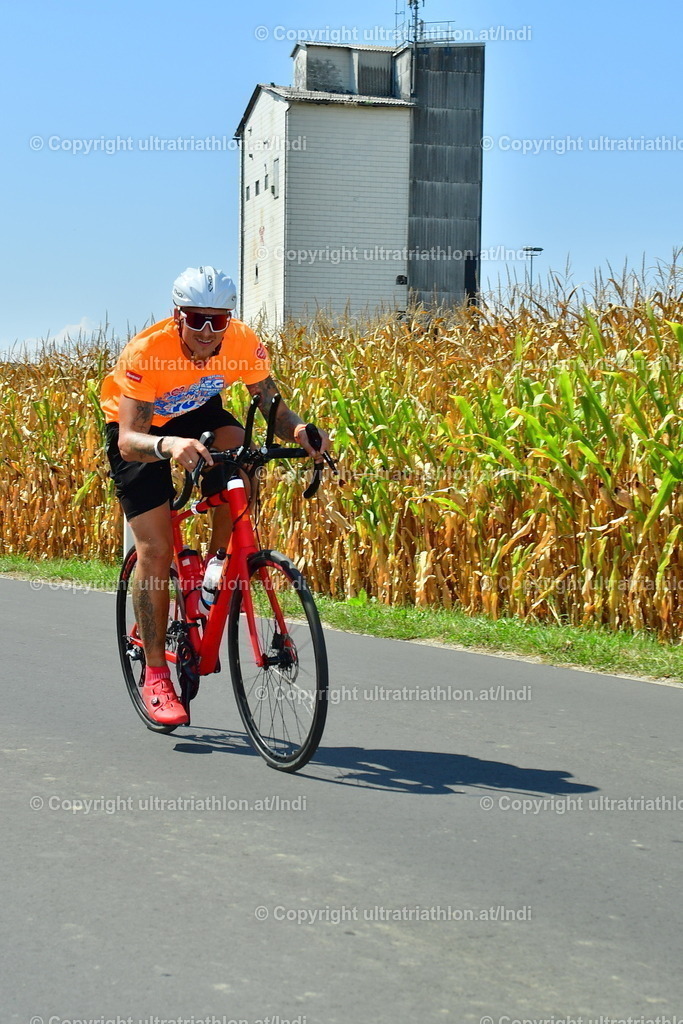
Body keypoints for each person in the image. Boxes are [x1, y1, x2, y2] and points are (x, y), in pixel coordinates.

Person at [100, 265, 330, 726]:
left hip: (198, 414)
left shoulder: (243, 342)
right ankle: (157, 676)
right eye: (196, 319)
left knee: (240, 462)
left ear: (230, 320)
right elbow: (129, 439)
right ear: (177, 315)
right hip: (144, 432)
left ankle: (218, 565)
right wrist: (168, 446)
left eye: (218, 320)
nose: (207, 331)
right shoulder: (148, 351)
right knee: (155, 547)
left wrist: (300, 430)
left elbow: (269, 402)